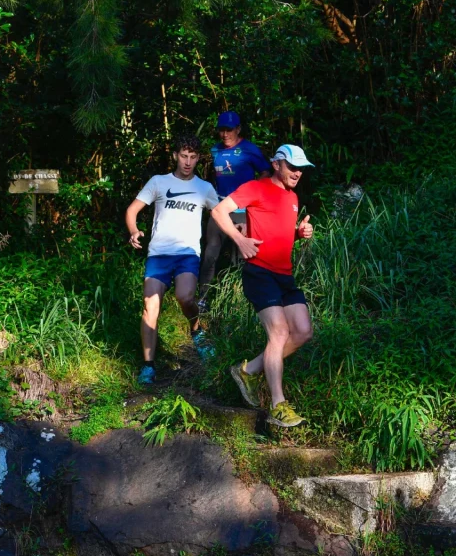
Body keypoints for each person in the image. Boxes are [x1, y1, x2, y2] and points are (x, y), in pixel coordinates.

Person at [209, 144, 315, 427]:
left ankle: (247, 370)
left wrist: (299, 232)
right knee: (279, 332)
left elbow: (278, 232)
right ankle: (278, 405)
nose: (297, 173)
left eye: (301, 169)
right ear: (277, 164)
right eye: (292, 167)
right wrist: (239, 239)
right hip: (259, 272)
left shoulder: (292, 197)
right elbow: (219, 212)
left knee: (303, 331)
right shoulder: (255, 187)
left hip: (284, 275)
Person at [125, 134, 220, 385]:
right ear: (176, 156)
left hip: (187, 254)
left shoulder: (204, 188)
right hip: (158, 254)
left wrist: (241, 230)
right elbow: (133, 209)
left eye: (192, 157)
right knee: (149, 306)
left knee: (185, 297)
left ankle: (196, 331)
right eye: (183, 156)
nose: (188, 162)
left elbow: (221, 213)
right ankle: (148, 366)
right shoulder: (158, 182)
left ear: (198, 158)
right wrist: (134, 230)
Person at [197, 111, 272, 312]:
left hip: (244, 210)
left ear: (238, 129)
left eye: (229, 130)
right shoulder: (215, 150)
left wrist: (255, 193)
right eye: (221, 130)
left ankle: (239, 303)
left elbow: (265, 171)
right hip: (221, 209)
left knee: (240, 257)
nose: (225, 134)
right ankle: (202, 299)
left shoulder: (249, 149)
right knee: (210, 253)